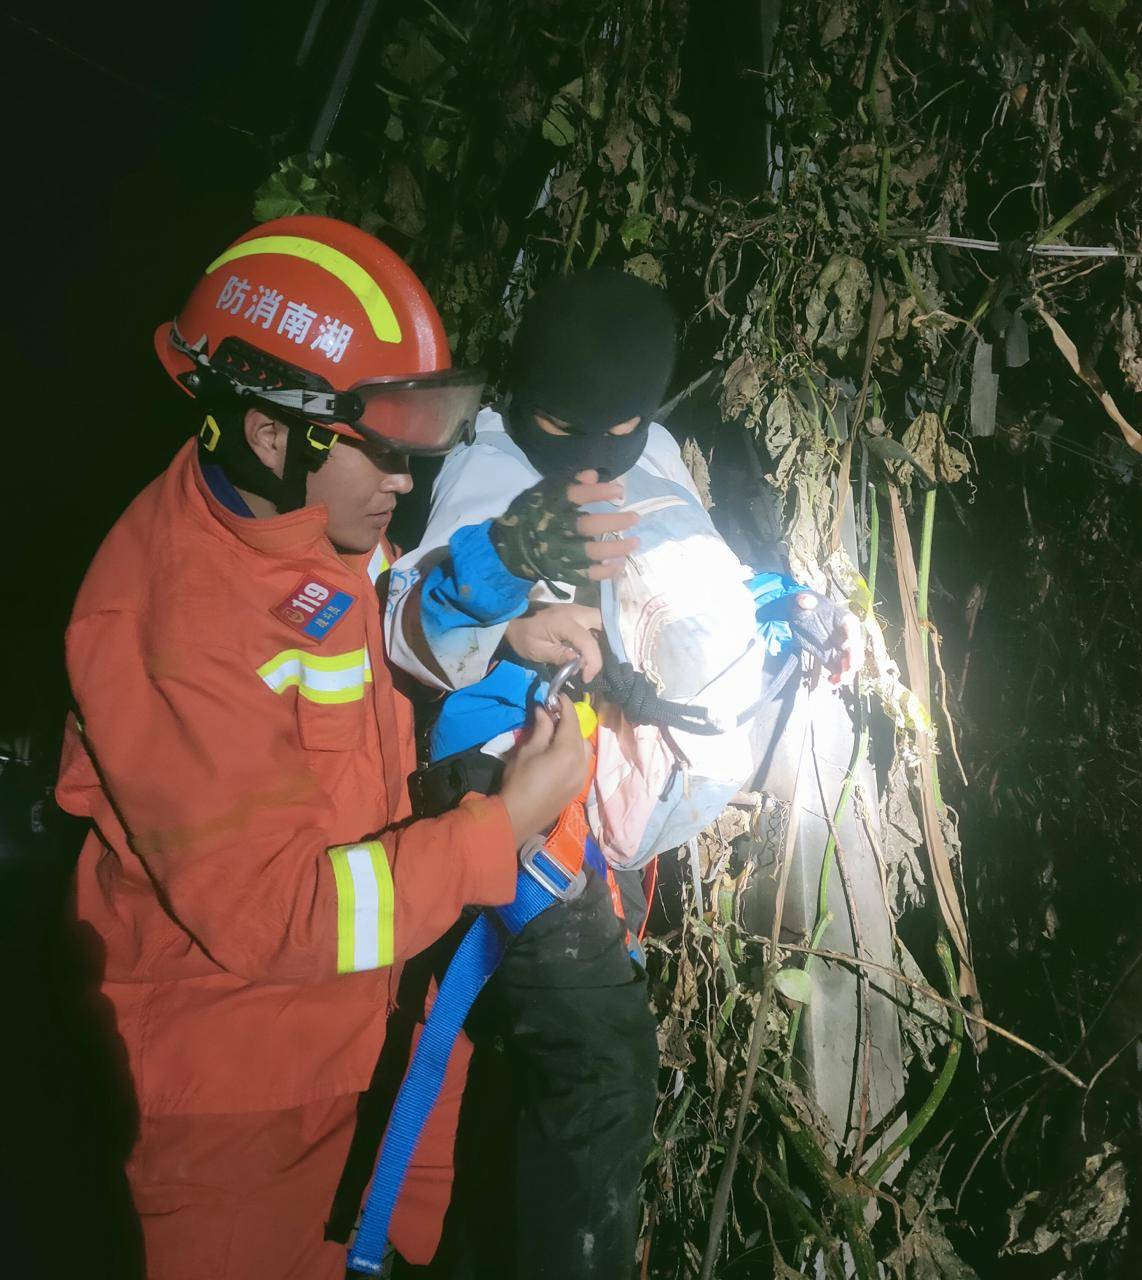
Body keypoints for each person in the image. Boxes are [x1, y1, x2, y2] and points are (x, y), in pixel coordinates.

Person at [55, 214, 590, 1280]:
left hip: (350, 1045)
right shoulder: (172, 625)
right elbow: (285, 909)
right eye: (388, 446)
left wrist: (491, 618)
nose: (409, 476)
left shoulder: (304, 513)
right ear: (268, 430)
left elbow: (374, 629)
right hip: (228, 1121)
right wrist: (501, 828)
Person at [384, 270, 699, 1279]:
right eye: (564, 424)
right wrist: (504, 596)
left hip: (601, 794)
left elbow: (706, 582)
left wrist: (786, 627)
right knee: (594, 1063)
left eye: (620, 429)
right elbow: (404, 616)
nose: (593, 455)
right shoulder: (489, 460)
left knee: (508, 1085)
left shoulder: (651, 455)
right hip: (496, 782)